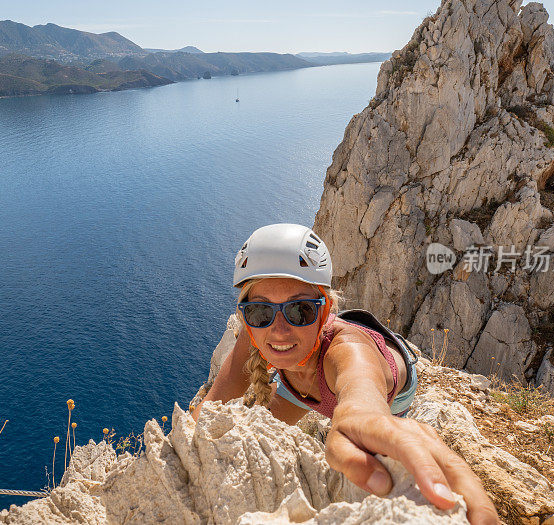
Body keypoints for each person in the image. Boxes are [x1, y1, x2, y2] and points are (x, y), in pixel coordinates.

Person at [192, 223, 499, 525]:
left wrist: (363, 418)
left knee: (380, 458)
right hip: (300, 387)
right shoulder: (252, 327)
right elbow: (208, 413)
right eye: (261, 312)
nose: (279, 330)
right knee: (258, 439)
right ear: (246, 315)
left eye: (300, 310)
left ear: (325, 311)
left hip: (388, 390)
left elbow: (360, 394)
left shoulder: (350, 352)